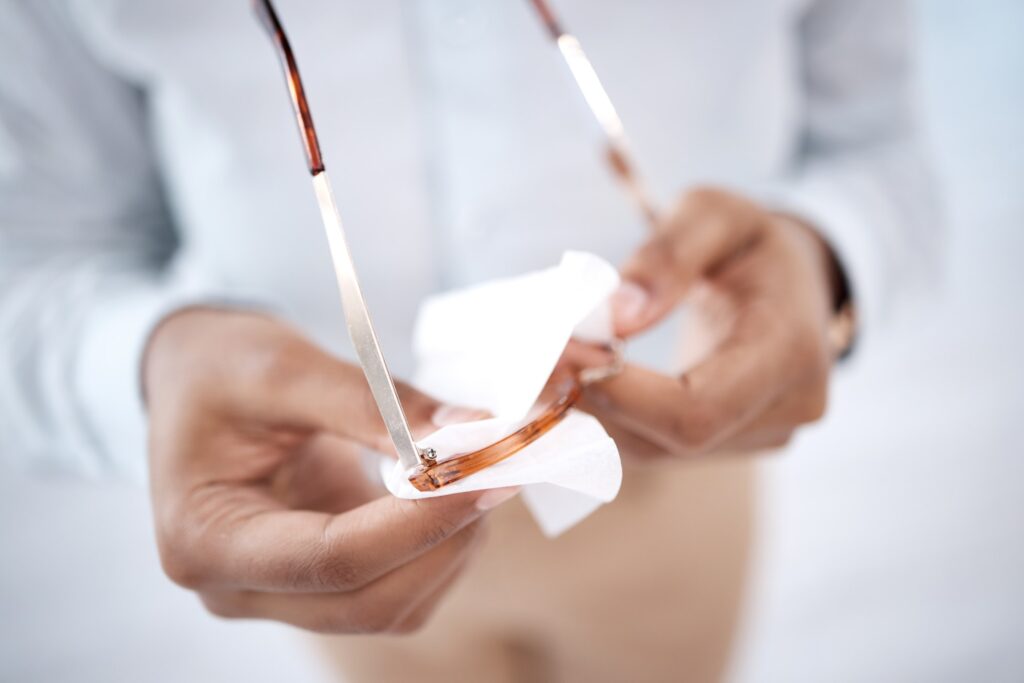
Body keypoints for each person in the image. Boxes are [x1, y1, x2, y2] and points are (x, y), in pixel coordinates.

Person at [0, 0, 935, 680]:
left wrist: (826, 262)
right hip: (330, 512)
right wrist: (151, 361)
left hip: (674, 479)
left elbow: (877, 146)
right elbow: (46, 245)